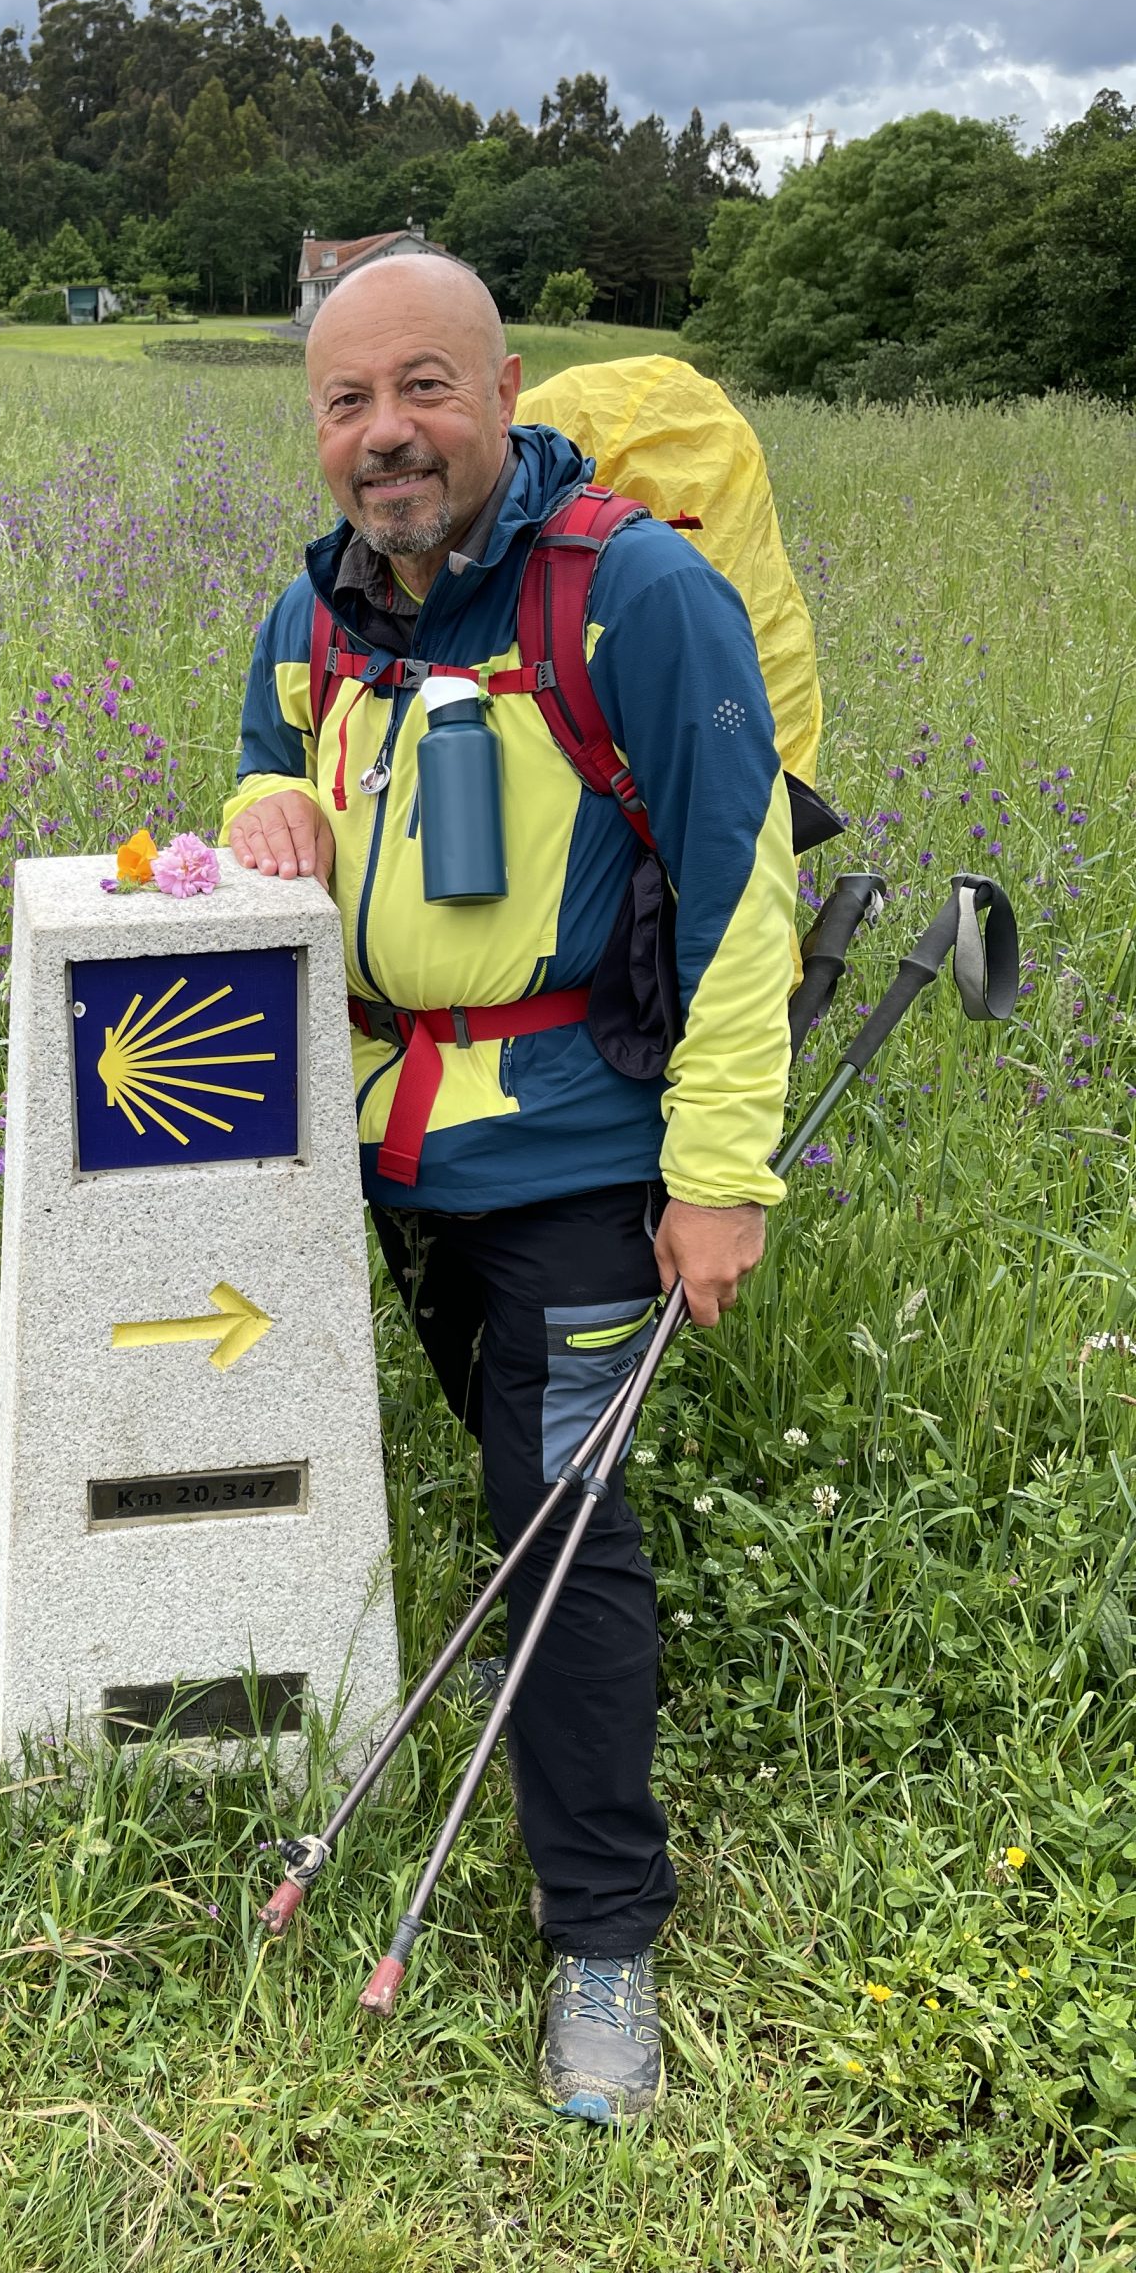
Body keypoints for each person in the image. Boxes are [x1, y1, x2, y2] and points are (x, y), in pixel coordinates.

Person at [223, 254, 796, 2124]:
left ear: (503, 386)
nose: (385, 433)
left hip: (572, 1150)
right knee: (507, 1471)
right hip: (388, 1152)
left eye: (423, 388)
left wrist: (717, 1181)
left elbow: (740, 896)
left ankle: (604, 1935)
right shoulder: (320, 609)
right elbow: (254, 771)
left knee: (553, 1523)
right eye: (344, 403)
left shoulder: (633, 593)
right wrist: (258, 815)